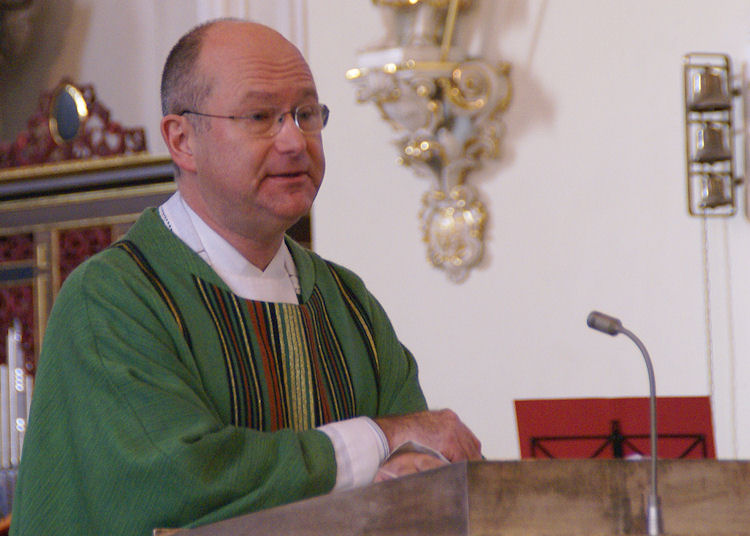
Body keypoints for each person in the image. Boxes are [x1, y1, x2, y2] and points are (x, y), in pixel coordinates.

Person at [10, 18, 481, 536]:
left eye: (305, 114)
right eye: (261, 117)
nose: (294, 141)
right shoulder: (112, 301)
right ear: (182, 139)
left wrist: (411, 466)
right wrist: (376, 442)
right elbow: (182, 482)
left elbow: (425, 460)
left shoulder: (348, 303)